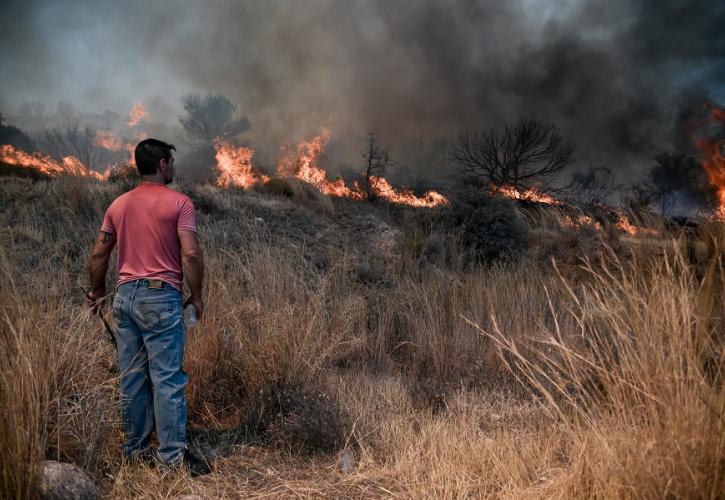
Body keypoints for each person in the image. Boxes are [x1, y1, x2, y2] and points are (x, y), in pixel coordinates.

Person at [87, 138, 211, 476]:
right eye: (170, 161)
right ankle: (172, 459)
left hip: (125, 299)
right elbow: (191, 254)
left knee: (133, 379)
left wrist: (97, 291)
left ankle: (135, 451)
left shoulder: (118, 204)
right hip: (160, 297)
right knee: (168, 380)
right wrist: (197, 295)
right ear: (161, 165)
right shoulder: (180, 203)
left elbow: (99, 254)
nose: (172, 167)